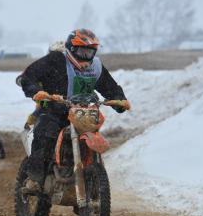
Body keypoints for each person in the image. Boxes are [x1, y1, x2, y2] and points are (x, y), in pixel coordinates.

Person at [18, 29, 130, 193]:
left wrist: (119, 100)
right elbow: (29, 75)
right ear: (70, 48)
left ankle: (89, 182)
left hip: (83, 112)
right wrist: (36, 92)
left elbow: (110, 87)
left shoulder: (96, 66)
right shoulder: (56, 60)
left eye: (89, 52)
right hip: (55, 111)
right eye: (82, 51)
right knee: (44, 132)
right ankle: (35, 179)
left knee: (94, 133)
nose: (86, 56)